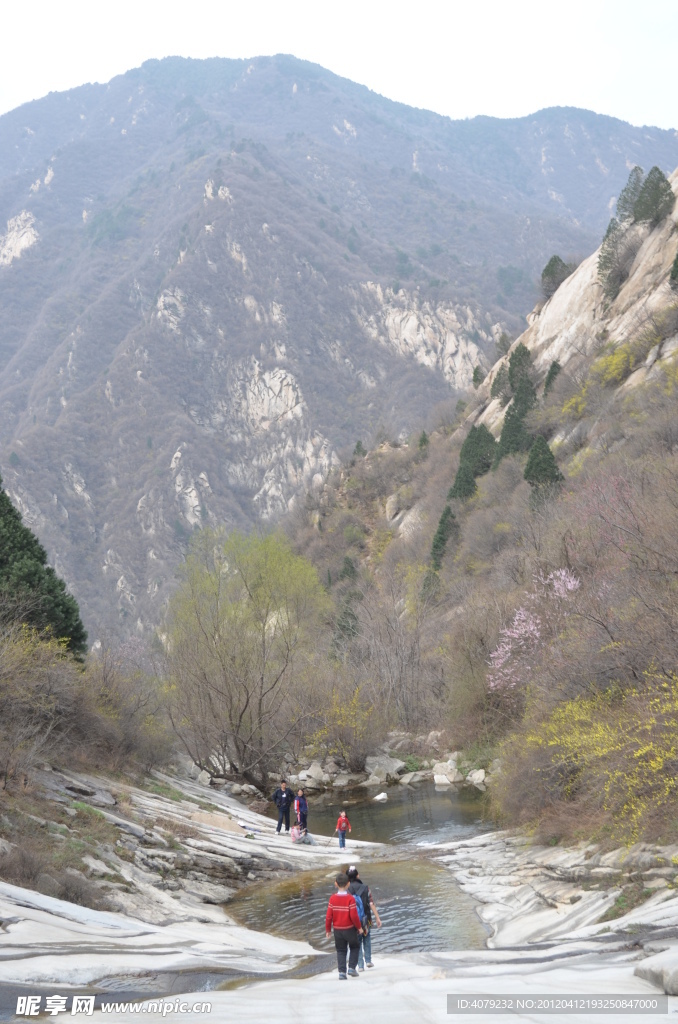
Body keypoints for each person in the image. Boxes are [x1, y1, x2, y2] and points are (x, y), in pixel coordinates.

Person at [325, 872, 364, 979]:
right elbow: (354, 916)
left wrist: (328, 930)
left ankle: (342, 972)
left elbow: (328, 916)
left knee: (341, 950)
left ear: (335, 884)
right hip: (350, 929)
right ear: (348, 884)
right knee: (355, 946)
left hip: (337, 930)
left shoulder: (332, 898)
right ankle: (351, 968)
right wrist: (359, 927)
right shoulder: (350, 898)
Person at [347, 865, 382, 970]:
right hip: (366, 919)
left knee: (357, 943)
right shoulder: (365, 888)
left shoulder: (346, 890)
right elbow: (371, 903)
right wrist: (377, 917)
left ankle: (360, 966)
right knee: (367, 939)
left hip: (353, 921)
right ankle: (368, 961)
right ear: (358, 875)